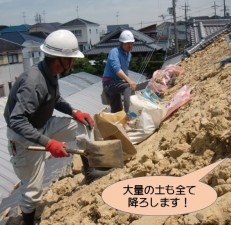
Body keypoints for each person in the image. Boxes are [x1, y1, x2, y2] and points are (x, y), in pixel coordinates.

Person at [4, 29, 110, 225]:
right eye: (72, 59)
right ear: (61, 59)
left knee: (81, 126)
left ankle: (89, 171)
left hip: (42, 124)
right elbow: (18, 120)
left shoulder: (50, 72)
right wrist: (48, 143)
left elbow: (55, 98)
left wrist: (74, 112)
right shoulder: (34, 82)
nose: (74, 63)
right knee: (32, 191)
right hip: (24, 136)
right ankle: (28, 221)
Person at [102, 30, 137, 113]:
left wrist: (129, 80)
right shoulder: (114, 52)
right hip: (109, 83)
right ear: (121, 43)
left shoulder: (128, 54)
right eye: (127, 43)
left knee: (116, 110)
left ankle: (117, 123)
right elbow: (117, 70)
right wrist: (129, 81)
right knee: (127, 87)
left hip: (117, 83)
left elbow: (125, 72)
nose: (130, 45)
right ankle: (128, 114)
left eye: (131, 43)